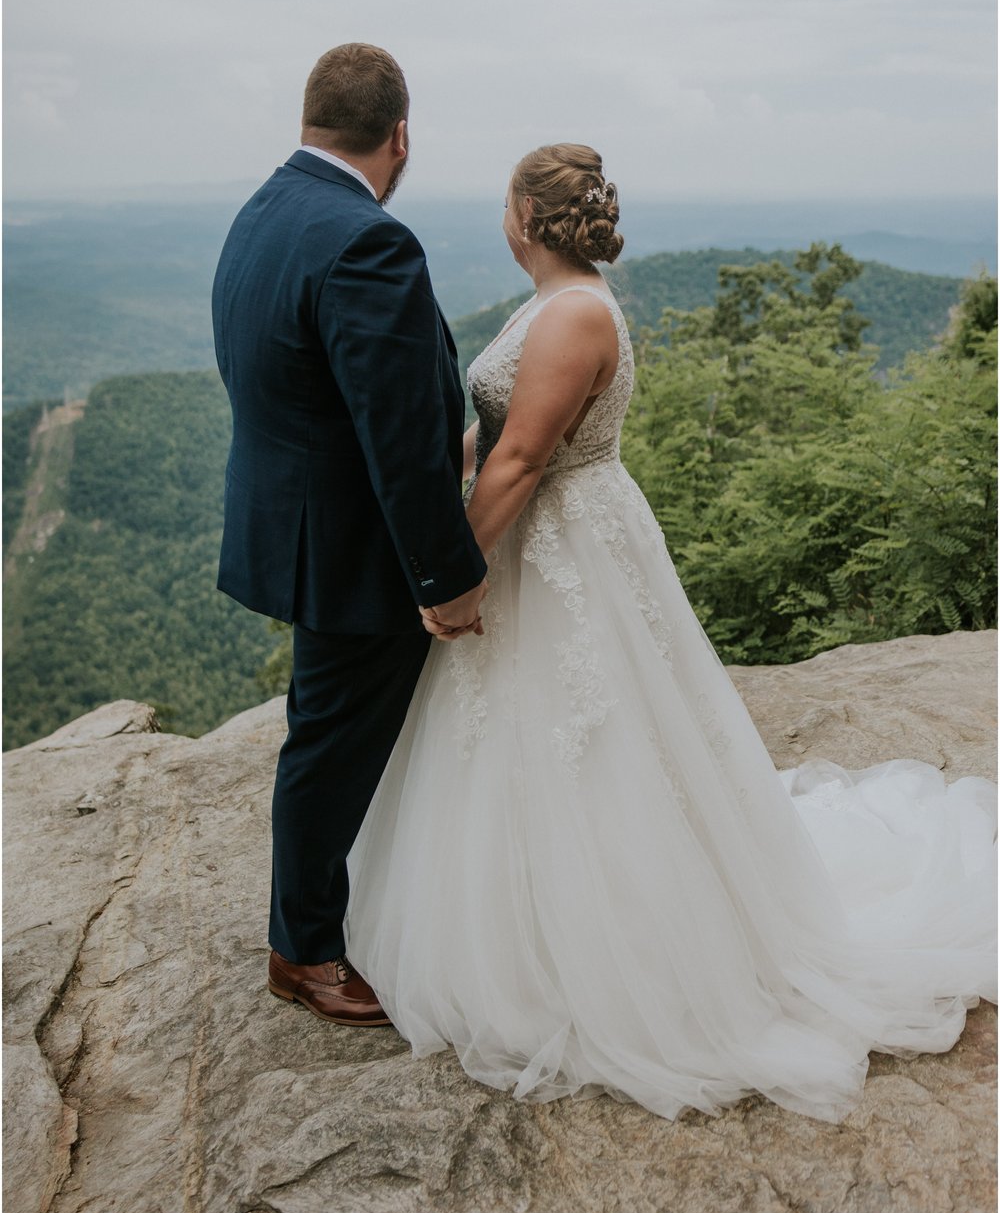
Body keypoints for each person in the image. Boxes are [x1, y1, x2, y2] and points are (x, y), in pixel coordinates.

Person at [345, 142, 997, 1122]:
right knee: (526, 731)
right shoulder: (552, 302)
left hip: (560, 542)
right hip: (544, 537)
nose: (501, 219)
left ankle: (614, 948)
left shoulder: (571, 315)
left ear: (527, 216)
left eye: (506, 204)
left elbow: (523, 459)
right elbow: (496, 428)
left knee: (588, 732)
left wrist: (449, 577)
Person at [212, 43, 487, 1027]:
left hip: (289, 519)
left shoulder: (265, 209)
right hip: (351, 547)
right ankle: (305, 949)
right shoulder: (371, 242)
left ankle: (358, 901)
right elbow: (403, 434)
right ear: (399, 135)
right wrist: (444, 574)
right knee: (328, 744)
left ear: (309, 120)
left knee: (332, 729)